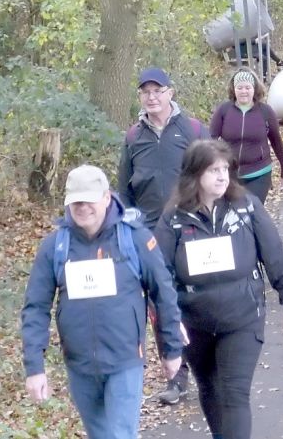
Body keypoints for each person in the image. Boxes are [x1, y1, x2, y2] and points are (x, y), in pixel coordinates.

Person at [154, 139, 283, 439]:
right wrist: (168, 332)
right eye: (214, 170)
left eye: (225, 169)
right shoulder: (173, 219)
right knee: (210, 389)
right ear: (195, 175)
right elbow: (159, 277)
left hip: (242, 317)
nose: (223, 177)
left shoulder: (246, 207)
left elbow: (274, 253)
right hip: (194, 322)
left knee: (234, 394)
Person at [21, 165, 185, 439]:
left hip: (125, 361)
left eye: (89, 200)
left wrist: (171, 349)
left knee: (121, 434)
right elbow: (36, 307)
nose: (82, 207)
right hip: (80, 366)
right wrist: (34, 367)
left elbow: (163, 293)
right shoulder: (55, 247)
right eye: (76, 201)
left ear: (107, 198)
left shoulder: (134, 238)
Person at [117, 66, 208, 404]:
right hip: (150, 237)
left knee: (197, 298)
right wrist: (128, 231)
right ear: (140, 97)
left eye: (158, 90)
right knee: (160, 304)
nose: (152, 97)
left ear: (171, 92)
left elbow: (216, 176)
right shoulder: (132, 138)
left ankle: (207, 365)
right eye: (145, 92)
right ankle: (177, 376)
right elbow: (123, 192)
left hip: (191, 229)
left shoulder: (195, 129)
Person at [209, 69, 283, 204]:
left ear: (254, 89)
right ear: (233, 89)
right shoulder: (224, 110)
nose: (243, 91)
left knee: (251, 213)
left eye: (248, 87)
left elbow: (276, 142)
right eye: (239, 88)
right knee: (231, 215)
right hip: (228, 173)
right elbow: (210, 140)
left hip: (259, 173)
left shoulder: (265, 112)